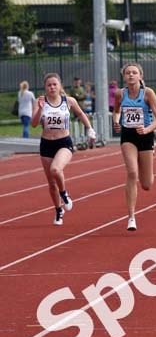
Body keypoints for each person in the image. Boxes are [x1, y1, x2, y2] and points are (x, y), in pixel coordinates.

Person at [31, 73, 96, 225]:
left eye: (55, 84)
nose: (52, 87)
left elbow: (80, 113)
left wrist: (89, 129)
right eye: (49, 85)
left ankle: (64, 194)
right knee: (51, 183)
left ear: (60, 85)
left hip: (64, 143)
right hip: (46, 144)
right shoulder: (40, 101)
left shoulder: (68, 101)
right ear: (45, 87)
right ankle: (58, 210)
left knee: (55, 170)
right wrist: (40, 110)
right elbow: (34, 124)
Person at [113, 63, 156, 231]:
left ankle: (149, 160)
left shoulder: (147, 93)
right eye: (128, 73)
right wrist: (116, 121)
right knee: (132, 172)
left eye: (134, 73)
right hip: (128, 136)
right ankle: (131, 217)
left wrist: (148, 129)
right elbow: (117, 111)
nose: (131, 75)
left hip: (145, 136)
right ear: (124, 77)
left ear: (140, 76)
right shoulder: (120, 94)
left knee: (147, 184)